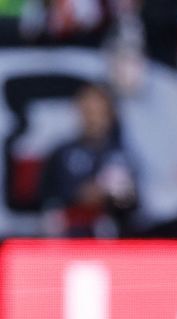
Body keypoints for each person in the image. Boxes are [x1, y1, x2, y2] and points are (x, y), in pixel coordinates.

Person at [39, 82, 138, 238]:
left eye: (98, 110)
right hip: (69, 234)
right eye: (88, 110)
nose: (93, 117)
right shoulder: (61, 153)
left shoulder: (123, 154)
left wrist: (112, 197)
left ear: (110, 112)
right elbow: (45, 197)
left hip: (114, 236)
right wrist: (79, 195)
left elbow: (133, 202)